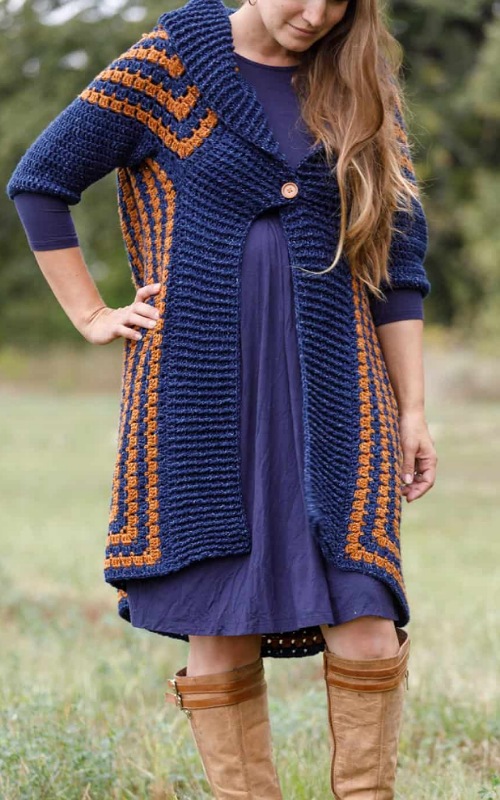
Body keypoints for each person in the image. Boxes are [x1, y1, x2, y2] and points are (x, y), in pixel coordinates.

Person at [6, 0, 438, 796]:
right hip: (197, 400)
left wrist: (412, 410)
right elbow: (42, 181)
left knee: (368, 616)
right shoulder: (167, 64)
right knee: (222, 622)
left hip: (342, 397)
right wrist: (92, 314)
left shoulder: (361, 83)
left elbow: (398, 264)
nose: (317, 14)